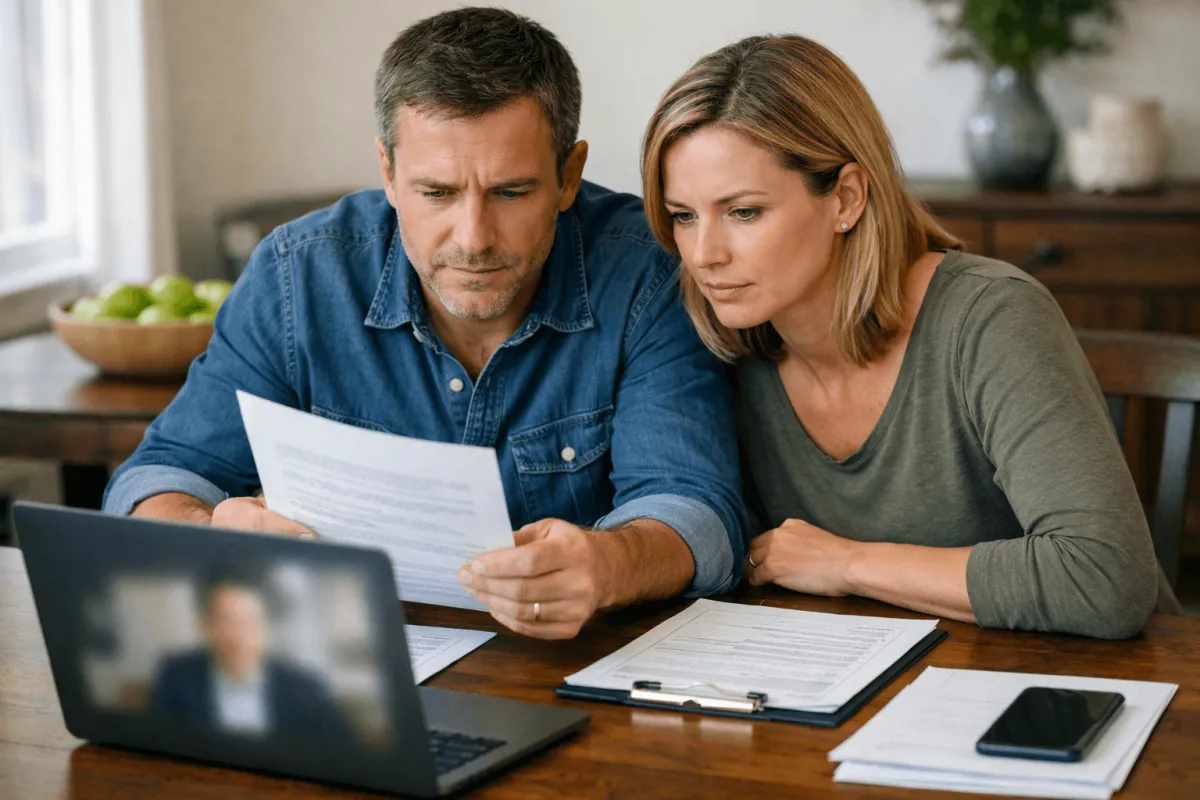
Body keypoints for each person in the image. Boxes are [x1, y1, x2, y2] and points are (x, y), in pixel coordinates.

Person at [103, 7, 746, 640]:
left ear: (568, 176)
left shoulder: (648, 272)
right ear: (388, 173)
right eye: (436, 193)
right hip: (350, 668)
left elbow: (699, 512)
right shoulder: (297, 276)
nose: (473, 239)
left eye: (511, 192)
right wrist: (212, 531)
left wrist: (612, 563)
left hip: (568, 677)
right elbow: (156, 479)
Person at [639, 34, 1169, 639]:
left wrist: (845, 563)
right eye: (683, 215)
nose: (704, 255)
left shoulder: (991, 317)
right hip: (870, 689)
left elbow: (1103, 578)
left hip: (1094, 688)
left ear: (845, 197)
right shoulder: (719, 346)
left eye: (744, 212)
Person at [150, 568, 352, 739]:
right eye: (225, 621)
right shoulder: (177, 677)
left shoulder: (306, 689)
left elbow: (341, 753)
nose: (238, 636)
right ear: (206, 625)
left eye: (249, 622)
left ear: (267, 627)